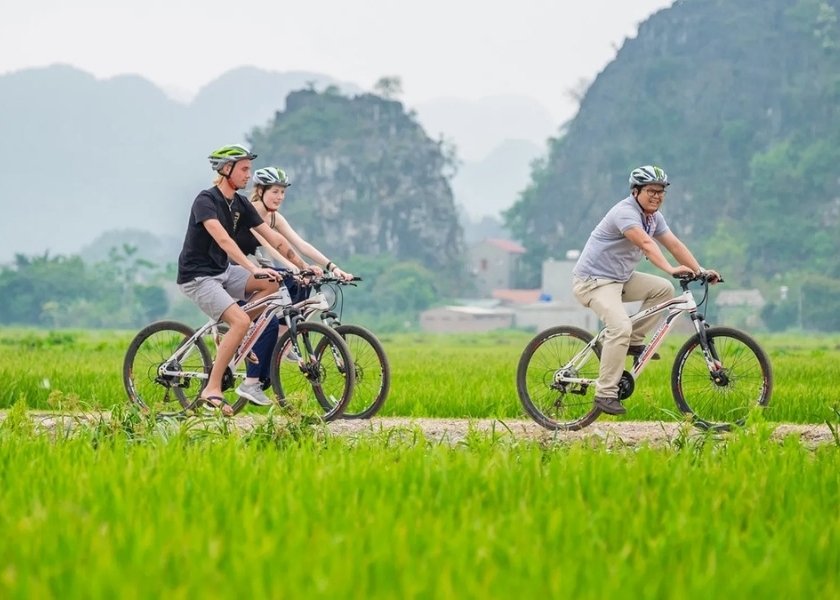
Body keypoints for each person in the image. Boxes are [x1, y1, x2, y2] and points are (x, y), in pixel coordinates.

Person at [571, 165, 720, 416]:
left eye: (661, 192)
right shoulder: (625, 213)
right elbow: (646, 244)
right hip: (593, 281)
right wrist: (671, 268)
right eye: (651, 191)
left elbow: (673, 243)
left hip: (620, 279)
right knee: (619, 327)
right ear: (636, 191)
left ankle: (632, 342)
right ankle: (605, 393)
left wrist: (700, 269)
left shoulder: (654, 217)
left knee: (663, 289)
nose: (657, 196)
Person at [176, 144, 311, 415]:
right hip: (198, 277)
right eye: (244, 169)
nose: (249, 175)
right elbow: (223, 240)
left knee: (274, 284)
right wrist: (252, 268)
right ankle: (211, 389)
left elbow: (275, 239)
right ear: (227, 170)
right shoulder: (206, 200)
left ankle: (243, 335)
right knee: (240, 318)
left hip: (223, 272)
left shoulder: (240, 204)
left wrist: (304, 267)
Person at [230, 166, 355, 406]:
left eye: (283, 192)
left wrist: (333, 267)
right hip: (236, 271)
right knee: (290, 280)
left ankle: (284, 336)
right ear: (260, 190)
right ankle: (262, 366)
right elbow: (273, 246)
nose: (279, 197)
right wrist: (296, 268)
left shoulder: (274, 216)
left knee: (301, 284)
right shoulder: (252, 212)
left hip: (253, 268)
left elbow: (300, 244)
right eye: (275, 191)